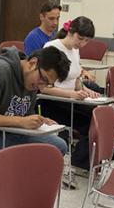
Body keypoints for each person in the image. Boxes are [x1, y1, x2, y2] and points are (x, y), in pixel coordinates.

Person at [0, 46, 71, 159]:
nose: (42, 86)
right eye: (43, 79)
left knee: (58, 146)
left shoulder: (31, 81)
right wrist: (21, 121)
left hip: (7, 132)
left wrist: (40, 121)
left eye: (48, 84)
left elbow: (25, 114)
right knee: (44, 152)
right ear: (32, 63)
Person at [40, 16, 101, 171]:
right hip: (52, 100)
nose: (82, 43)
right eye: (80, 38)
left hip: (70, 99)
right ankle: (80, 163)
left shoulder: (75, 51)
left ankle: (92, 161)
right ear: (70, 32)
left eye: (86, 41)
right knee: (92, 117)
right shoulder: (52, 47)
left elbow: (76, 79)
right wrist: (72, 95)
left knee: (101, 112)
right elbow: (44, 88)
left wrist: (87, 91)